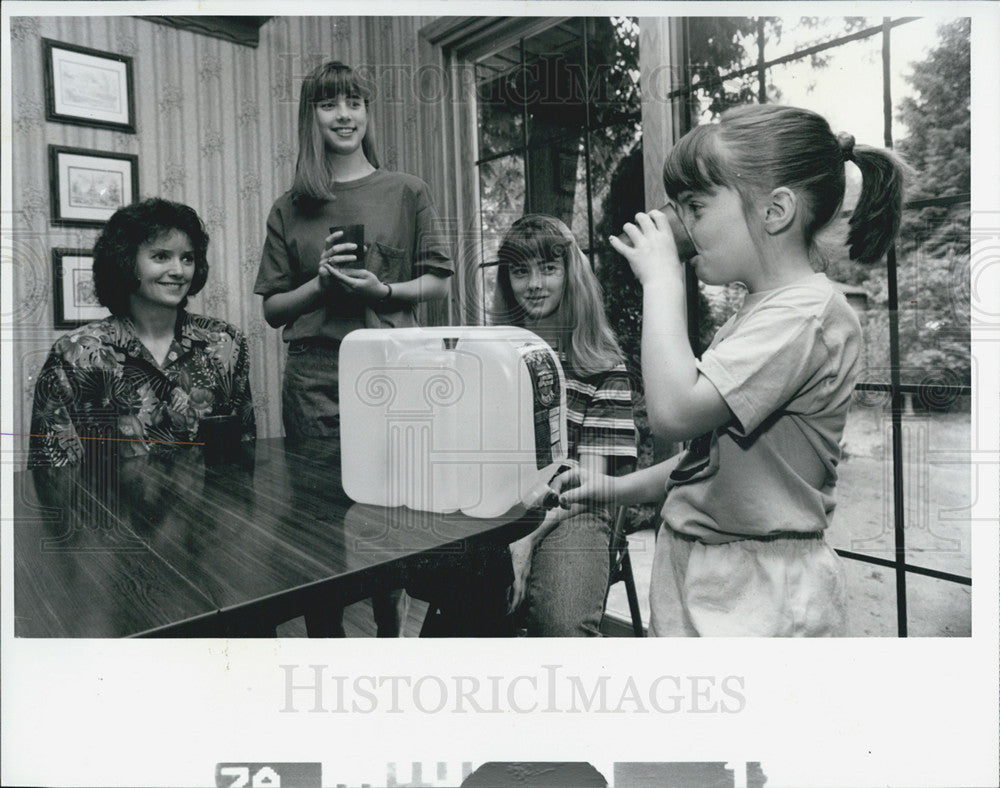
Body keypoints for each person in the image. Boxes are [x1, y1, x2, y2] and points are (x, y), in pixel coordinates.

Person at [557, 104, 907, 637]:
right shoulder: (762, 314)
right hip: (707, 569)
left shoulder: (805, 317)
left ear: (775, 211)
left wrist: (662, 283)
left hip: (759, 591)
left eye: (694, 206)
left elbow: (673, 413)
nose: (680, 225)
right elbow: (710, 462)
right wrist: (612, 488)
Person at [254, 60, 452, 636]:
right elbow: (270, 309)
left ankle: (389, 641)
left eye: (355, 103)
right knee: (320, 519)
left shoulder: (406, 191)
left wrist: (383, 289)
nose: (344, 115)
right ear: (310, 117)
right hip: (314, 377)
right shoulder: (289, 207)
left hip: (393, 372)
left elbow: (438, 282)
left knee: (389, 515)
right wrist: (318, 285)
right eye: (328, 104)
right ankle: (327, 644)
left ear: (368, 113)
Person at [409, 215, 637, 637]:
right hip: (498, 504)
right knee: (459, 611)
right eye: (520, 271)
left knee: (561, 625)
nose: (534, 283)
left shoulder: (604, 366)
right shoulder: (493, 353)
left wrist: (525, 539)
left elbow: (590, 485)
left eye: (548, 269)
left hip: (575, 511)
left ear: (571, 275)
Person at [29, 198, 255, 468]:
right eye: (161, 256)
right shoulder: (75, 354)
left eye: (187, 258)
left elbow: (244, 449)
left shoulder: (225, 342)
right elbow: (52, 475)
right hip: (112, 509)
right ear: (126, 262)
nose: (179, 271)